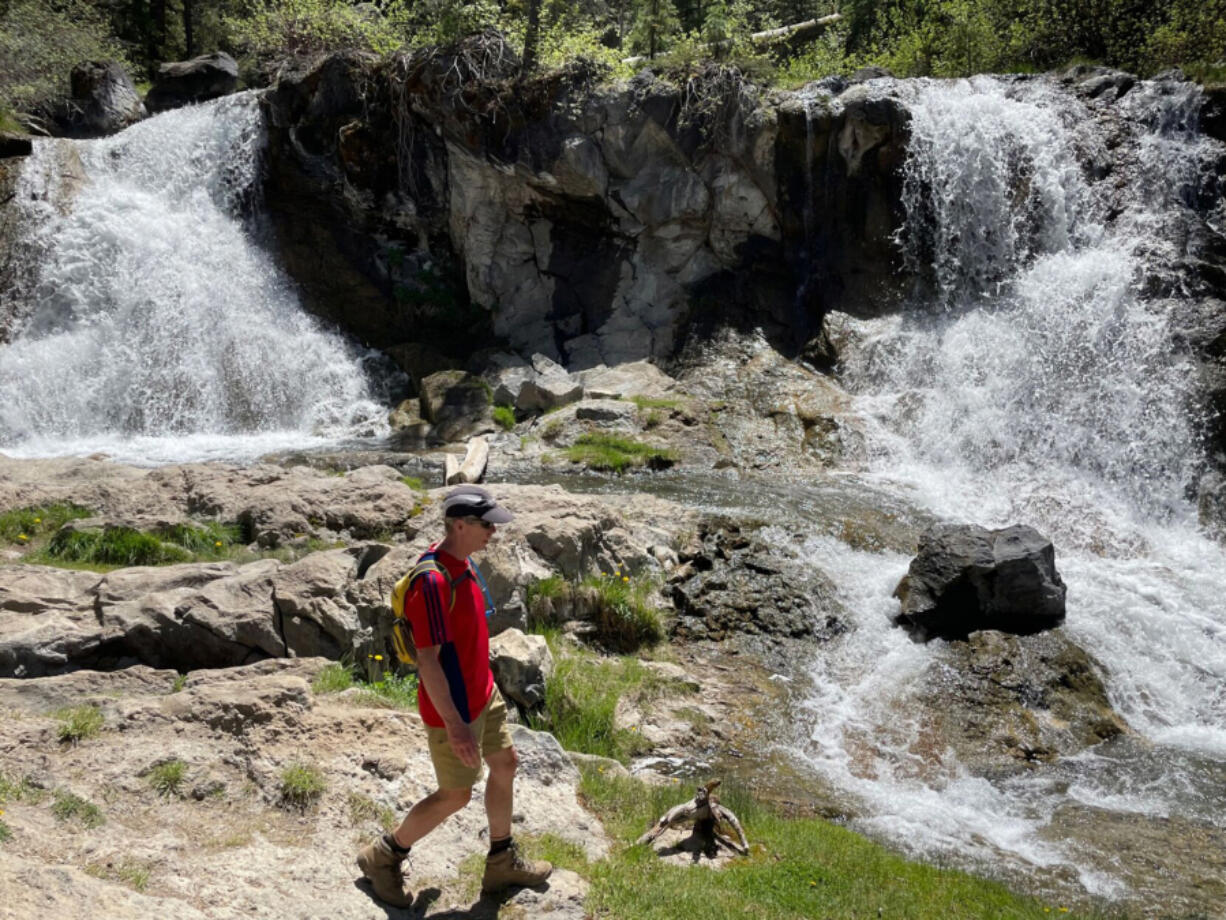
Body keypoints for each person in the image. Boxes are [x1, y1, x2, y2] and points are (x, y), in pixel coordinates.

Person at [356, 484, 552, 907]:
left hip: (483, 694)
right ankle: (383, 855)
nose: (493, 533)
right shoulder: (430, 583)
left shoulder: (460, 564)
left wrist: (488, 690)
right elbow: (427, 662)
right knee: (455, 795)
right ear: (458, 524)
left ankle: (501, 860)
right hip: (455, 709)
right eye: (486, 525)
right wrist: (457, 726)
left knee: (505, 763)